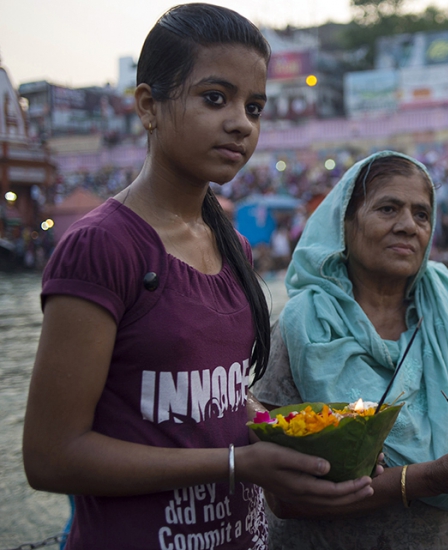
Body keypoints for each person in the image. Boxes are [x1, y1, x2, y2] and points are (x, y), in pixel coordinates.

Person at [23, 5, 375, 549]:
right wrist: (239, 464)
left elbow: (218, 397)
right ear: (148, 106)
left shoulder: (230, 242)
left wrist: (315, 442)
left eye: (253, 107)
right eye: (215, 98)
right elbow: (51, 457)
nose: (241, 122)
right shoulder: (101, 247)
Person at [252, 151, 448, 550]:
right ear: (345, 224)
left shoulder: (447, 319)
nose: (408, 226)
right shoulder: (301, 327)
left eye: (422, 215)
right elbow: (282, 498)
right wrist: (424, 479)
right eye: (388, 208)